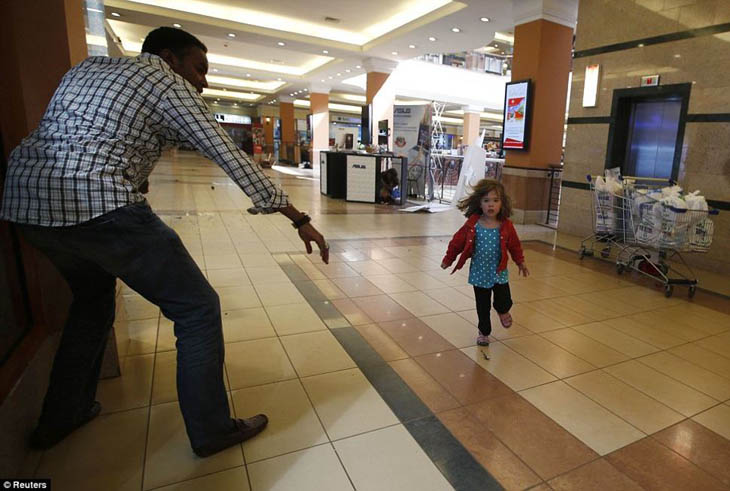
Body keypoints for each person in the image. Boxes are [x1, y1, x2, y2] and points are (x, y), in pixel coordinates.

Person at [0, 26, 329, 457]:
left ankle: (62, 415)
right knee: (196, 309)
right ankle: (212, 430)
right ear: (170, 58)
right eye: (199, 68)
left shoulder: (87, 68)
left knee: (93, 299)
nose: (203, 81)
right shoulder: (164, 80)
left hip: (27, 206)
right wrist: (298, 218)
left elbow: (89, 135)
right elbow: (226, 153)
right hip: (100, 206)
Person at [441, 180, 529, 346]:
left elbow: (515, 245)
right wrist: (448, 259)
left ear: (502, 203)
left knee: (505, 300)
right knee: (483, 306)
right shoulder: (473, 224)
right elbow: (457, 242)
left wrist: (520, 262)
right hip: (480, 273)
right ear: (479, 203)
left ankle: (502, 310)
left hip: (499, 271)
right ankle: (484, 332)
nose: (491, 205)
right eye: (486, 200)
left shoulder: (506, 225)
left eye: (495, 200)